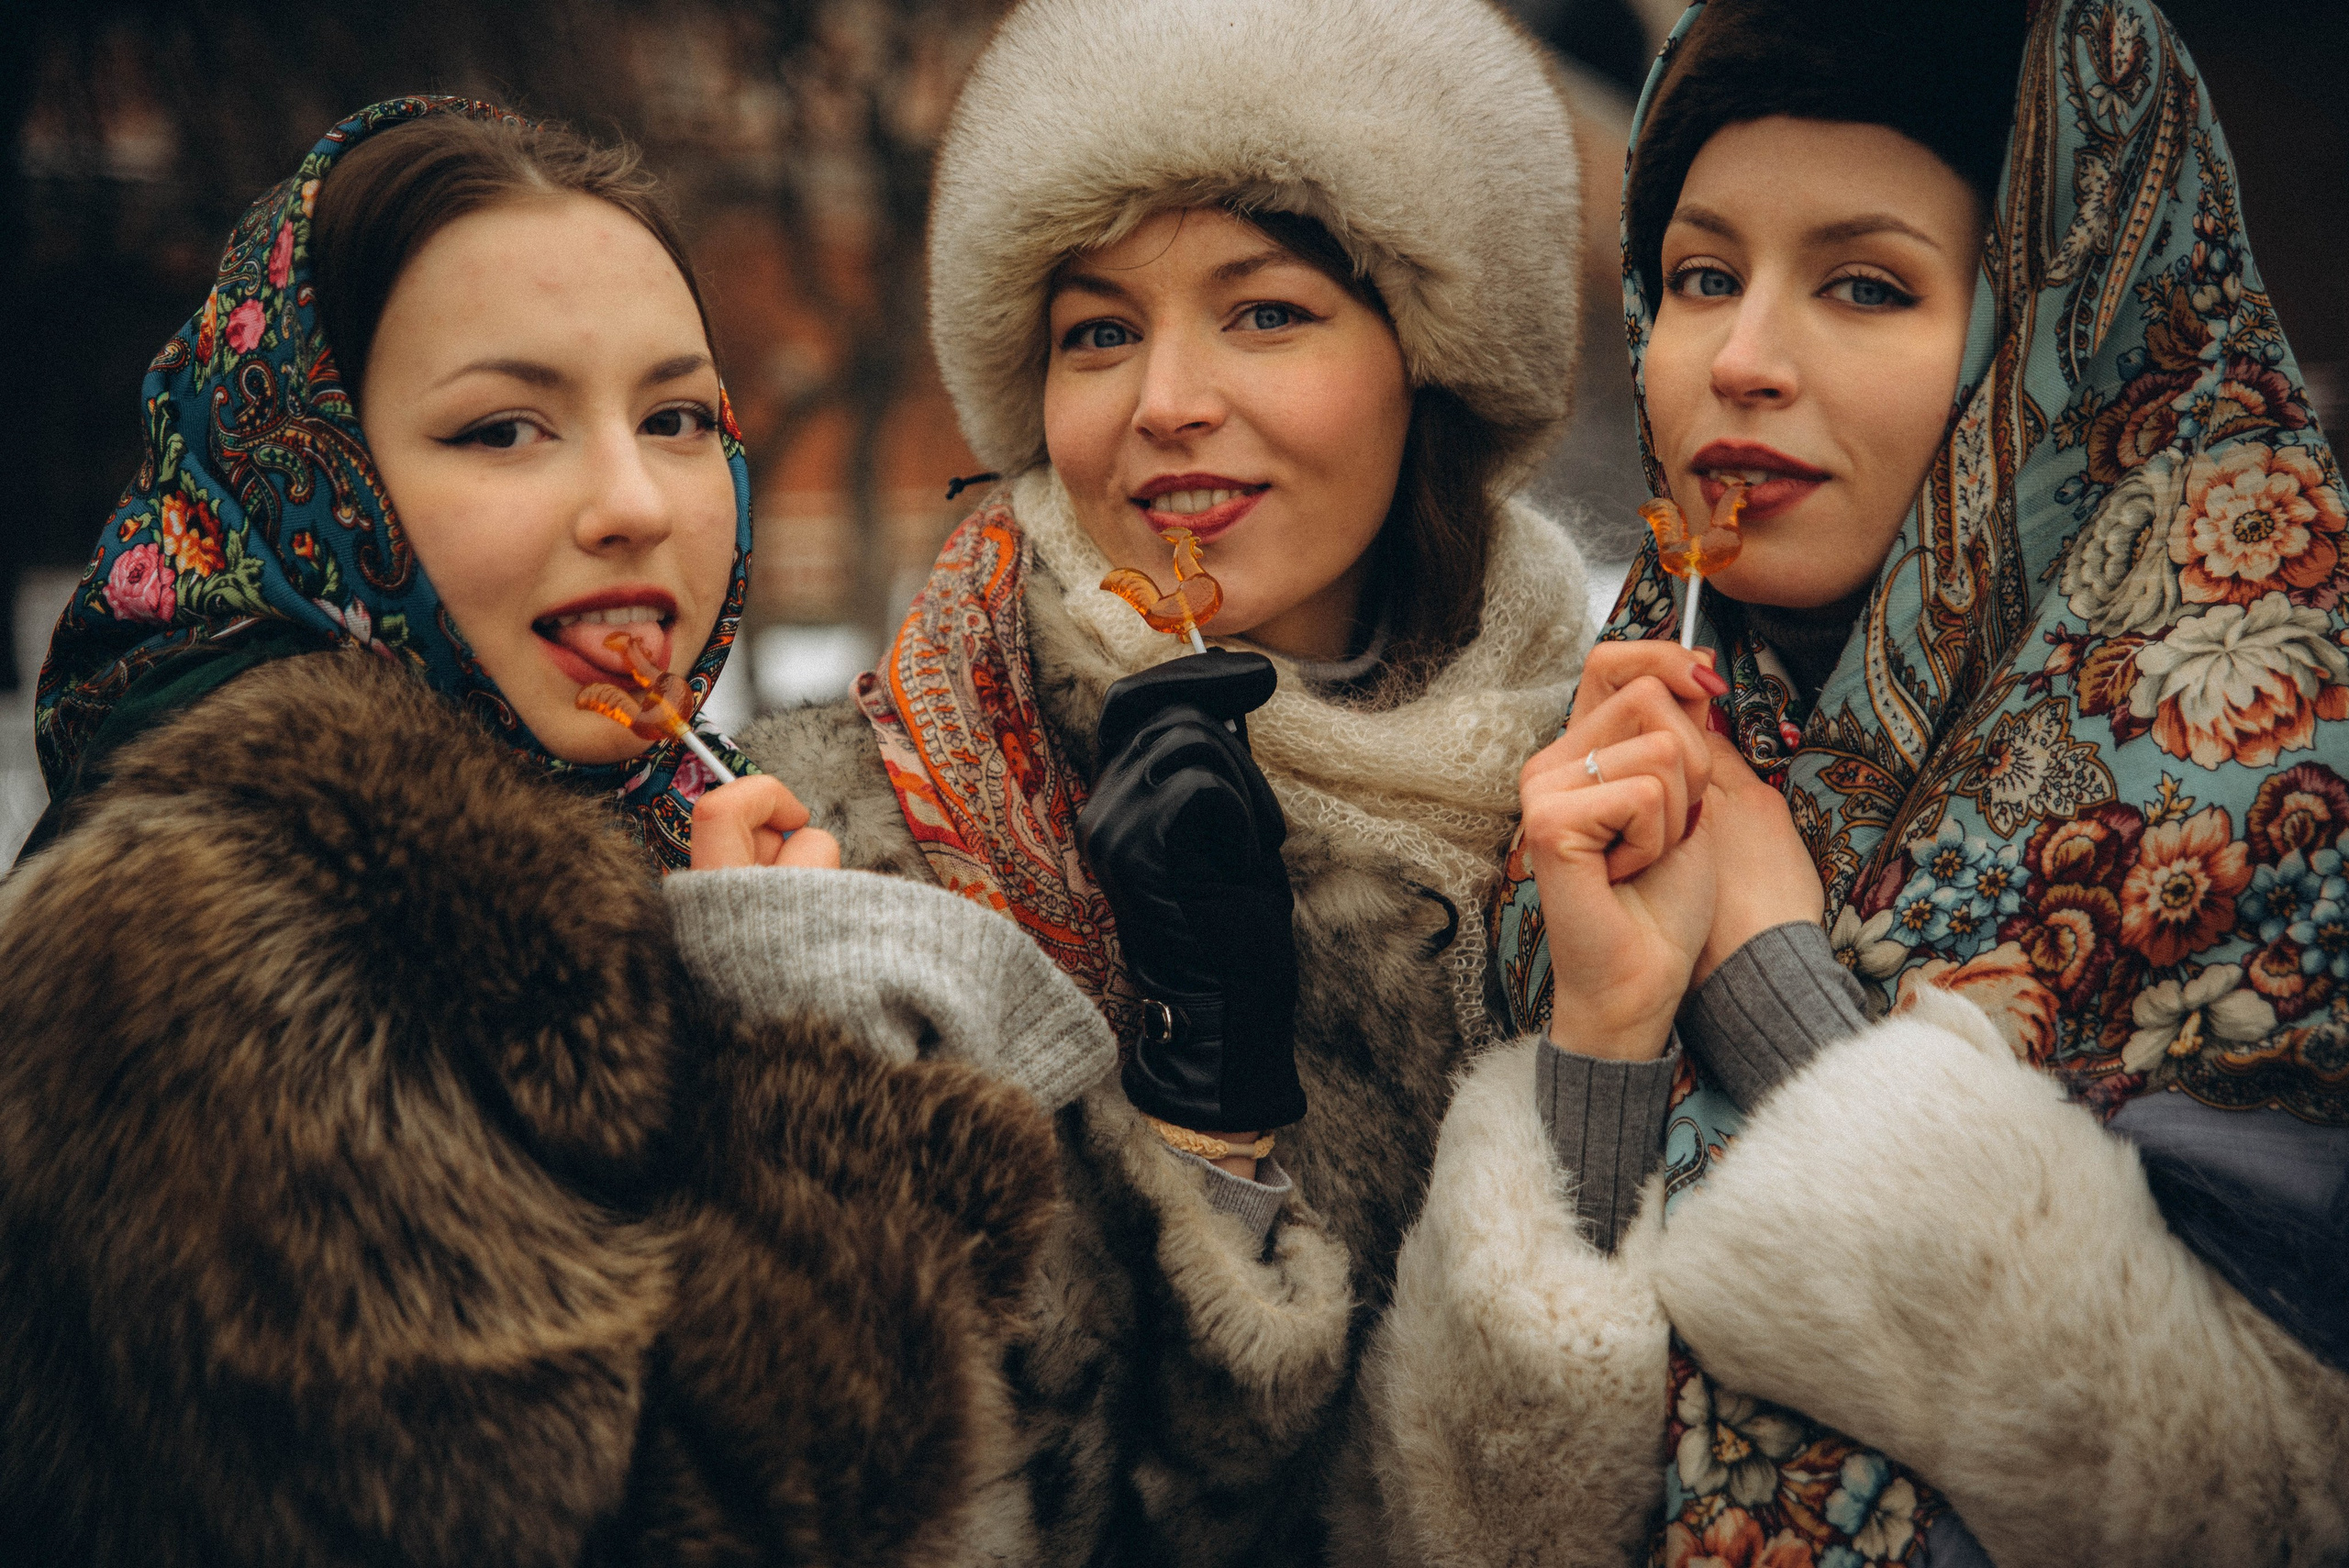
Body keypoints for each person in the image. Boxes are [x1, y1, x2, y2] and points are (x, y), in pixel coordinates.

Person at [0, 98, 1109, 1565]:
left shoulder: (641, 824)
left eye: (678, 417)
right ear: (310, 476)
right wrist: (812, 1056)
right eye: (501, 428)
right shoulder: (206, 940)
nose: (635, 501)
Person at [1368, 2, 2349, 1564]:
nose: (1739, 362)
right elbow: (1467, 1532)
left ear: (2062, 329)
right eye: (1701, 278)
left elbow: (2258, 1508)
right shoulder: (1598, 774)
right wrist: (1606, 1039)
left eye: (1867, 285)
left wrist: (1783, 1002)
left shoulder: (2288, 789)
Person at [734, 0, 1593, 1553]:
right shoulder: (874, 833)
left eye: (1264, 313)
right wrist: (1210, 1123)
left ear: (1431, 355)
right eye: (1100, 331)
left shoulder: (1607, 780)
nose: (1165, 402)